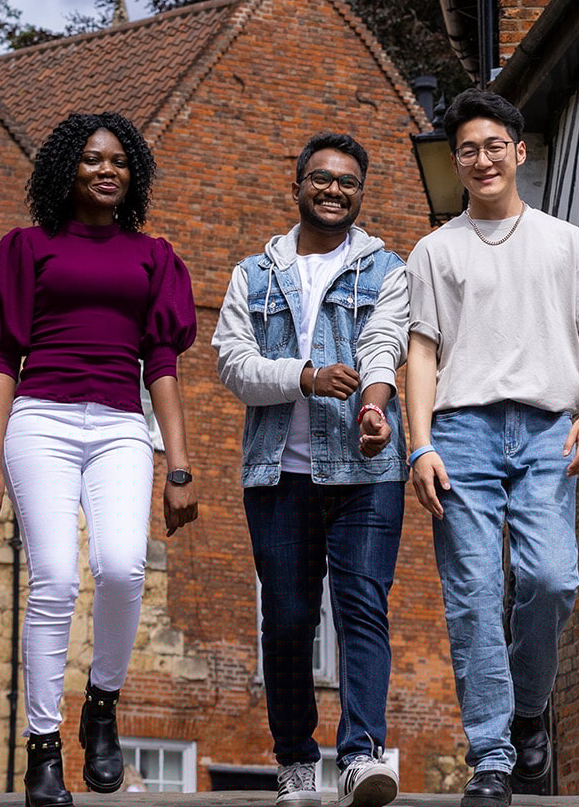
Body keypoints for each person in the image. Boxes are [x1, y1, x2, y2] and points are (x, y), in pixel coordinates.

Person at [0, 112, 199, 807]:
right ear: (67, 168)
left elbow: (162, 365)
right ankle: (43, 750)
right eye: (94, 159)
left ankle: (102, 706)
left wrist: (179, 467)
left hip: (121, 426)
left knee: (123, 567)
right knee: (56, 580)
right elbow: (3, 360)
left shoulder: (153, 257)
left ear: (134, 175)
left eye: (119, 162)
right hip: (41, 421)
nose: (107, 170)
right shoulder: (26, 247)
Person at [404, 90, 579, 807]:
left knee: (550, 579)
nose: (483, 159)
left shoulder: (565, 242)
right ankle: (491, 757)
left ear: (519, 151)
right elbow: (422, 352)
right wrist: (420, 446)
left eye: (495, 146)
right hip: (461, 433)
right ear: (455, 162)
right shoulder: (435, 250)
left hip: (550, 428)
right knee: (473, 594)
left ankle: (527, 710)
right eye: (468, 150)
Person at [212, 133, 409, 807]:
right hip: (278, 475)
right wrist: (305, 376)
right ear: (297, 184)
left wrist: (374, 404)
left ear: (361, 193)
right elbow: (233, 365)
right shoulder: (254, 274)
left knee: (363, 609)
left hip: (367, 470)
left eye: (348, 182)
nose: (334, 190)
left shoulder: (385, 268)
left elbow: (383, 341)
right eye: (322, 178)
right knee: (289, 618)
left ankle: (360, 756)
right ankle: (296, 761)